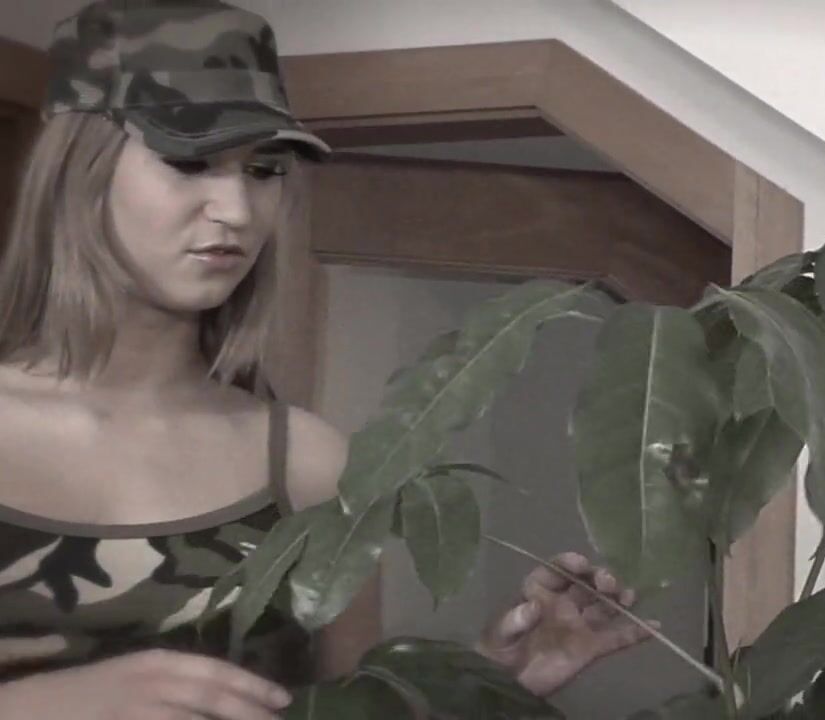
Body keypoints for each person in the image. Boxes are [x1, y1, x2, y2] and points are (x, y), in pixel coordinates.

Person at [0, 1, 651, 717]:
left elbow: (347, 710)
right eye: (189, 161)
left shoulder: (309, 464)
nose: (237, 210)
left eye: (263, 170)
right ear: (79, 171)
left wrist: (482, 683)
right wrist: (50, 703)